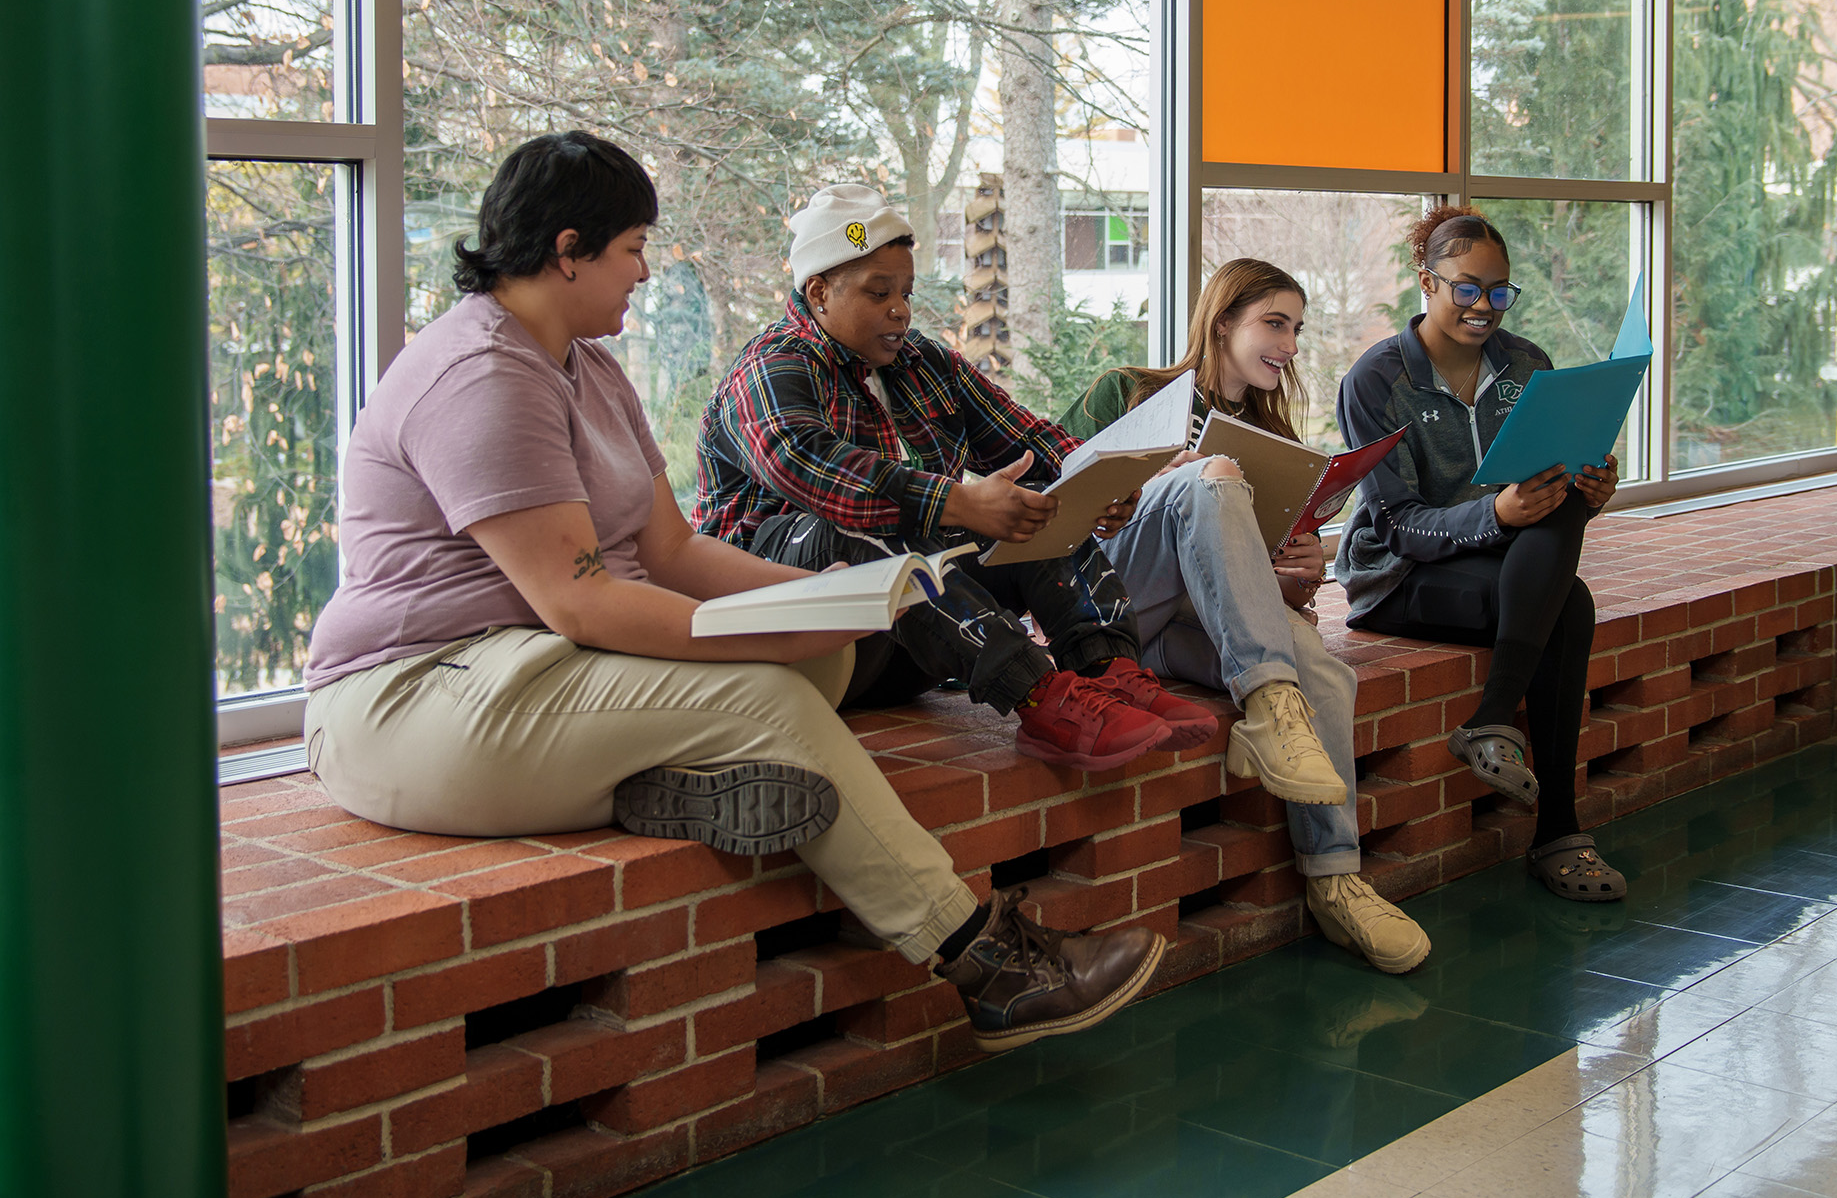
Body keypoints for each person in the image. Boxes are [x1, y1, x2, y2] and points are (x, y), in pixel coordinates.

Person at [300, 132, 1166, 1050]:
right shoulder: (481, 374)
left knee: (828, 658)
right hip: (415, 694)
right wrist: (763, 638)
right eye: (631, 246)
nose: (642, 270)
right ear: (566, 251)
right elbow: (581, 600)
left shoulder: (585, 367)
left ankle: (675, 778)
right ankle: (990, 965)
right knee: (771, 702)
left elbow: (670, 549)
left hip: (539, 669)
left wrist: (820, 601)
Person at [694, 184, 1215, 771]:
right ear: (818, 293)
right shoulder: (771, 366)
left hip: (919, 635)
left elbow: (1031, 439)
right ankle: (1040, 698)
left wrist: (1096, 482)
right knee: (864, 515)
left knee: (1031, 503)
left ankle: (1108, 675)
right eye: (878, 293)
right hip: (794, 634)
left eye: (907, 292)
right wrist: (959, 503)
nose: (901, 309)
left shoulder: (924, 362)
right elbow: (810, 467)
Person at [1058, 259, 1432, 975]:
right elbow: (1055, 507)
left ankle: (1335, 879)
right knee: (1207, 477)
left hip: (1193, 632)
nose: (1289, 345)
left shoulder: (1273, 435)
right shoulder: (1129, 390)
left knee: (1320, 671)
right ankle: (1272, 708)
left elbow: (1260, 586)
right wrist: (1163, 487)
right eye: (1274, 323)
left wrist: (1297, 572)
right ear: (1223, 320)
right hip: (1113, 608)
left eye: (1297, 329)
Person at [1334, 205, 1626, 902]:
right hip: (1401, 577)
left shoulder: (1528, 365)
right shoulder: (1377, 380)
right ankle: (1558, 829)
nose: (1484, 307)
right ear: (1426, 281)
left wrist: (1592, 482)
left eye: (1499, 291)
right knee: (1569, 604)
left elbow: (1546, 489)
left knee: (1564, 513)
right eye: (1467, 288)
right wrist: (1498, 513)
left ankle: (1494, 724)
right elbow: (1397, 525)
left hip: (1504, 564)